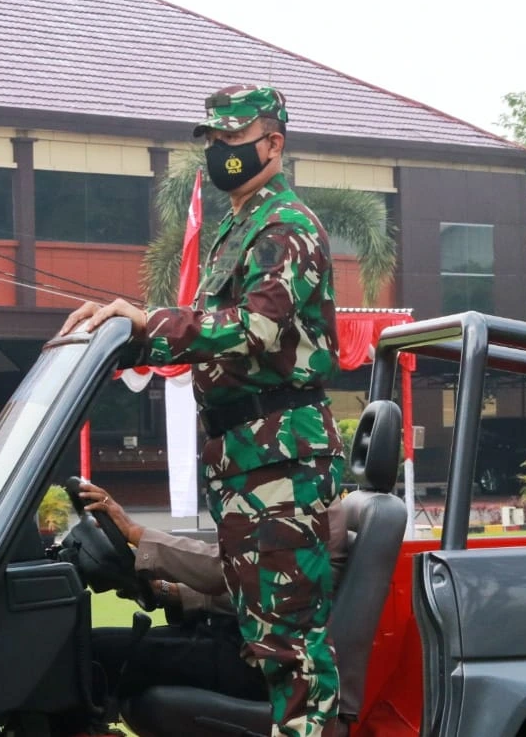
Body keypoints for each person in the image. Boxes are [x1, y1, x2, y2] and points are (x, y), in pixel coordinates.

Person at [59, 85, 344, 737]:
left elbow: (257, 328)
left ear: (273, 144)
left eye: (233, 139)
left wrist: (148, 322)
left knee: (290, 654)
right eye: (213, 140)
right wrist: (133, 332)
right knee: (259, 636)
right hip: (246, 461)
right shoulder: (235, 231)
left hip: (281, 464)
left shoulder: (286, 228)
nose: (219, 152)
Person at [77, 481, 347, 711]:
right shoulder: (302, 488)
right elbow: (252, 586)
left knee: (95, 654)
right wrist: (167, 592)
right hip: (246, 637)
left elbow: (222, 568)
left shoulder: (304, 497)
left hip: (263, 661)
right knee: (93, 644)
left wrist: (135, 533)